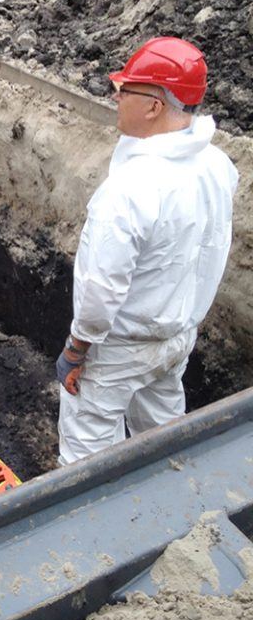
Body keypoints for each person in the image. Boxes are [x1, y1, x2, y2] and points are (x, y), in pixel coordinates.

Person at [56, 36, 238, 465]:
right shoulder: (215, 166)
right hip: (176, 335)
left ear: (155, 105)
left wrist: (76, 350)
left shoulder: (129, 190)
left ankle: (94, 525)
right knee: (163, 439)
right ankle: (173, 511)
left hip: (120, 345)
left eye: (126, 90)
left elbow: (102, 288)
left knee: (88, 452)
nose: (116, 96)